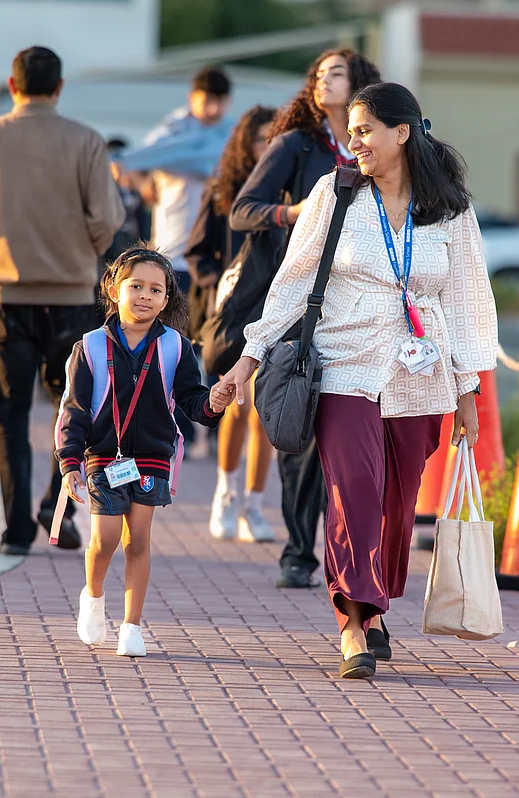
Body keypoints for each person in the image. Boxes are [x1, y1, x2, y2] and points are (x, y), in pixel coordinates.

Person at [218, 82, 500, 679]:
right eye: (350, 132)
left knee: (397, 505)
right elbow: (292, 283)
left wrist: (468, 391)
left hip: (419, 377)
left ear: (403, 132)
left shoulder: (450, 209)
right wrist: (248, 358)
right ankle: (353, 623)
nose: (354, 142)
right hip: (345, 364)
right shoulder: (335, 193)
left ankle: (375, 604)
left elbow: (471, 300)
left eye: (365, 130)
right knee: (354, 493)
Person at [0, 45, 126, 556]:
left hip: (4, 295)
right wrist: (76, 251)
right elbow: (107, 221)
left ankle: (17, 530)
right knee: (73, 409)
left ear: (13, 84)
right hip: (70, 296)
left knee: (11, 412)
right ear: (59, 87)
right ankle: (55, 504)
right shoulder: (86, 141)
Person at [228, 48, 381, 588]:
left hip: (367, 308)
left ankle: (355, 558)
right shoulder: (297, 143)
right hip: (303, 303)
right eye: (317, 74)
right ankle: (298, 550)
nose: (323, 82)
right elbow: (242, 209)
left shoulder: (378, 145)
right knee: (300, 425)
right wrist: (299, 211)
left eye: (336, 73)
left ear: (360, 82)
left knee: (353, 436)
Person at [55, 245, 231, 657]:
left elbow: (191, 400)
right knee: (105, 539)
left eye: (156, 289)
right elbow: (74, 409)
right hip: (103, 455)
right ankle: (93, 598)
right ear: (114, 289)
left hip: (153, 456)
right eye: (136, 286)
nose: (145, 296)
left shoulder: (175, 346)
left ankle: (131, 626)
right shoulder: (91, 346)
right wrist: (69, 461)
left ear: (167, 299)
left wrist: (214, 403)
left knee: (138, 541)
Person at [114, 66, 234, 459]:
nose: (212, 108)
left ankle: (214, 429)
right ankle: (176, 426)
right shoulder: (172, 133)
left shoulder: (229, 136)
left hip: (214, 257)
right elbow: (130, 165)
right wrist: (147, 183)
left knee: (217, 341)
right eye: (205, 99)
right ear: (192, 96)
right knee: (172, 344)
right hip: (171, 256)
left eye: (218, 101)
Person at [185, 105, 277, 542]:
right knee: (235, 408)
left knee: (265, 415)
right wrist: (216, 282)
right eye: (261, 140)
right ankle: (225, 494)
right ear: (245, 143)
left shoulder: (290, 192)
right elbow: (197, 250)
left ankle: (254, 507)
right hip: (233, 315)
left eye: (274, 140)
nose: (268, 148)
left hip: (280, 312)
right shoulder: (225, 189)